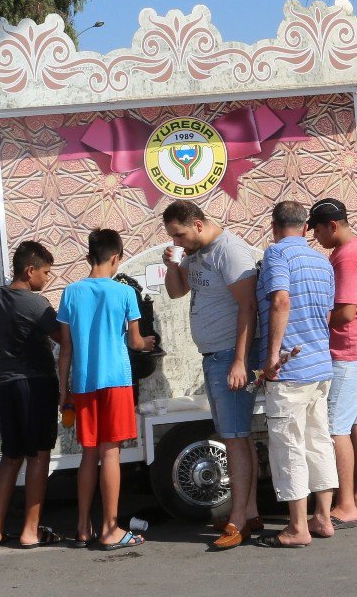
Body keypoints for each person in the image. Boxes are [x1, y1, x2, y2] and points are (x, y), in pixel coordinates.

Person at [161, 201, 261, 550]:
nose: (178, 241)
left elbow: (248, 306)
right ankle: (249, 513)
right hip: (215, 356)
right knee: (239, 436)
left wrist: (239, 360)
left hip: (228, 357)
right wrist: (172, 265)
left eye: (180, 234)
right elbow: (177, 291)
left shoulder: (228, 250)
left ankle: (237, 521)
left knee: (234, 439)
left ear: (199, 224)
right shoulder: (196, 253)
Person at [57, 229, 154, 550]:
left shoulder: (70, 293)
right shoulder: (124, 293)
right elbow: (135, 341)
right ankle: (110, 528)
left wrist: (63, 389)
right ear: (115, 258)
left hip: (83, 382)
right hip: (116, 380)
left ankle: (83, 528)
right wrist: (147, 343)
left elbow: (66, 349)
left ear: (89, 257)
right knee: (110, 452)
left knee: (88, 453)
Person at [254, 202, 339, 548]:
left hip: (290, 368)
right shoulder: (322, 260)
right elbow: (329, 314)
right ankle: (322, 517)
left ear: (274, 226)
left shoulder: (276, 255)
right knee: (318, 440)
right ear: (305, 228)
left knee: (288, 444)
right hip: (320, 364)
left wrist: (272, 356)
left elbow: (280, 302)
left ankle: (297, 527)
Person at [0, 241, 63, 549]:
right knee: (38, 456)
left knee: (10, 457)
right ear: (30, 271)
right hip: (37, 384)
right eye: (46, 272)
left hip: (7, 386)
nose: (47, 278)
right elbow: (64, 338)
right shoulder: (37, 305)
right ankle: (29, 530)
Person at [308, 198, 357, 527]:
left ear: (332, 226)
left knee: (336, 429)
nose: (317, 238)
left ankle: (347, 503)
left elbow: (346, 311)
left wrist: (314, 320)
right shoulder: (354, 249)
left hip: (350, 351)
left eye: (318, 230)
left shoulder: (346, 256)